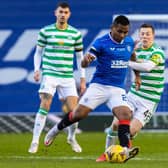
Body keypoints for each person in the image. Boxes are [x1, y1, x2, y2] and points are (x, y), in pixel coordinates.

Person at [44, 15, 140, 162]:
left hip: (117, 89)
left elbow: (133, 57)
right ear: (112, 28)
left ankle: (125, 149)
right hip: (99, 86)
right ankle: (55, 130)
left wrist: (137, 76)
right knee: (78, 114)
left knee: (125, 114)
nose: (122, 35)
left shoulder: (129, 42)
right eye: (120, 31)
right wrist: (85, 61)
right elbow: (84, 62)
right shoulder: (101, 42)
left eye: (125, 32)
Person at [28, 2, 86, 154]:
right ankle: (34, 141)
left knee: (75, 112)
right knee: (45, 104)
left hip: (67, 76)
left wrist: (82, 79)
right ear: (55, 13)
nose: (63, 15)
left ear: (69, 14)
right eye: (60, 12)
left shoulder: (75, 34)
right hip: (50, 74)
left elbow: (80, 58)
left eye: (66, 12)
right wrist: (36, 70)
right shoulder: (45, 31)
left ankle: (71, 138)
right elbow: (38, 53)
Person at [105, 23, 165, 151]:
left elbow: (147, 67)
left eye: (148, 34)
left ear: (153, 36)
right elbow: (134, 65)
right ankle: (107, 152)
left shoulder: (158, 52)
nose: (145, 36)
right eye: (142, 34)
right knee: (116, 124)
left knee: (129, 132)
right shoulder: (136, 50)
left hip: (148, 101)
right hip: (133, 94)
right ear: (139, 35)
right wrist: (136, 75)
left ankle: (128, 142)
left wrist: (126, 62)